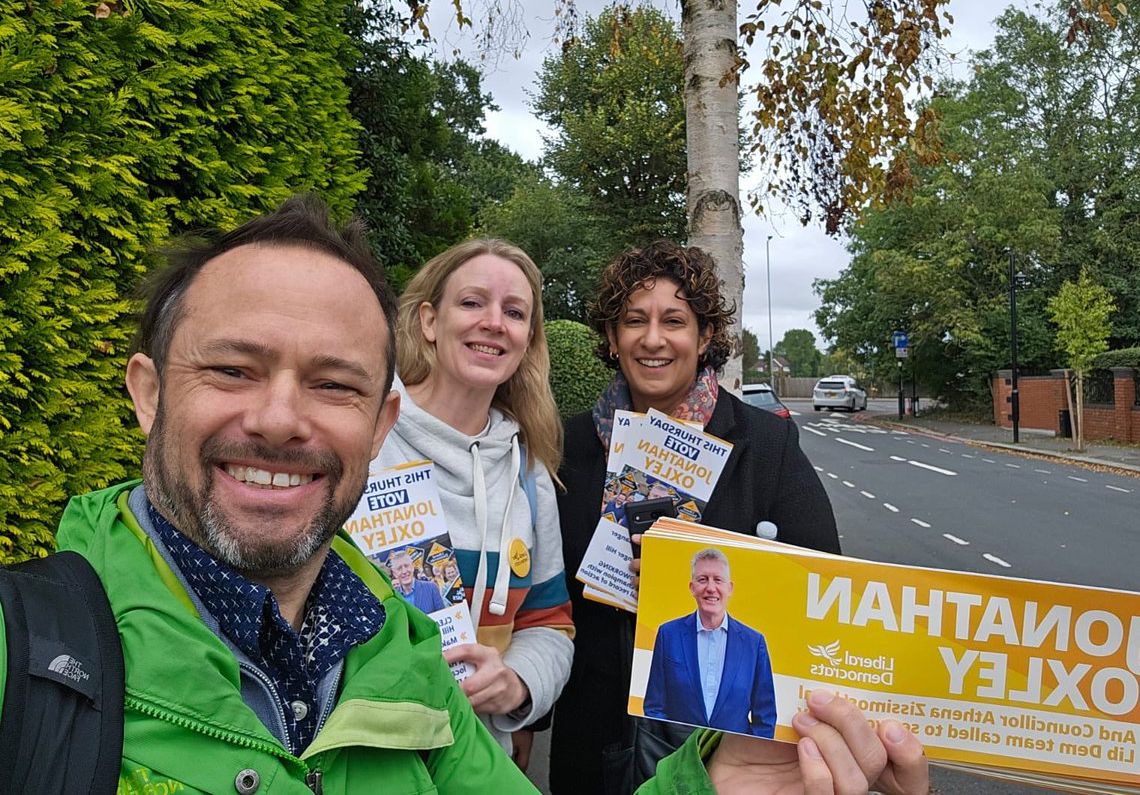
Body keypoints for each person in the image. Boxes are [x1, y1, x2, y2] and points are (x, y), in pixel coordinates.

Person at [0, 197, 930, 795]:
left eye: (331, 384)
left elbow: (551, 618)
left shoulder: (414, 635)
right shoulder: (32, 654)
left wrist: (716, 779)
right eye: (234, 369)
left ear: (371, 415)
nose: (283, 420)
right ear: (147, 390)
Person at [550, 240, 843, 794]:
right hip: (593, 734)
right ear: (613, 340)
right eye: (634, 320)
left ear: (705, 336)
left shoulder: (766, 443)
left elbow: (821, 582)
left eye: (675, 321)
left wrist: (695, 579)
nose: (653, 338)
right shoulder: (569, 445)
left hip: (723, 744)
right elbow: (546, 594)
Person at [369, 239, 574, 765]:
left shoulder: (529, 472)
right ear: (429, 321)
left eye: (514, 312)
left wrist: (518, 685)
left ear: (527, 339)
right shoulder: (364, 437)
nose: (494, 322)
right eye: (472, 303)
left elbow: (548, 623)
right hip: (360, 755)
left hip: (476, 761)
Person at [643, 548, 776, 738]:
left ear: (730, 588)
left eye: (718, 580)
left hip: (733, 760)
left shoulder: (754, 643)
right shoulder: (668, 634)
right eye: (702, 579)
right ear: (692, 587)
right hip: (679, 756)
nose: (711, 588)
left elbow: (765, 716)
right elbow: (654, 707)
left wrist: (748, 760)